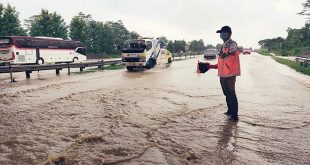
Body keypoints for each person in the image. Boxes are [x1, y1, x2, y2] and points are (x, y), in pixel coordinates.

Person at [198, 26, 241, 122]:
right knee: (226, 94)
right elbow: (222, 62)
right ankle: (230, 111)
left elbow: (234, 50)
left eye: (223, 33)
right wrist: (211, 66)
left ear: (229, 34)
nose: (221, 35)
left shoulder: (232, 43)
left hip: (230, 74)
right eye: (220, 33)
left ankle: (235, 116)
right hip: (222, 74)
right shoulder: (223, 45)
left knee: (231, 94)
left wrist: (227, 53)